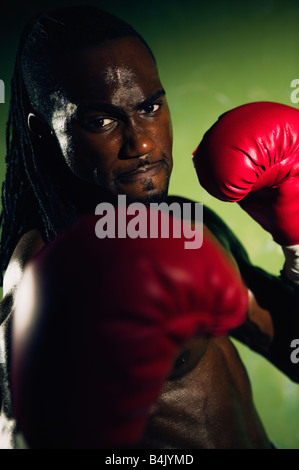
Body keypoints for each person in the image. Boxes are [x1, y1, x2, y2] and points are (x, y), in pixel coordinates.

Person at [0, 4, 298, 449]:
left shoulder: (185, 224)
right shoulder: (43, 277)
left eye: (150, 106)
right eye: (101, 120)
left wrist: (296, 243)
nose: (140, 143)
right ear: (45, 135)